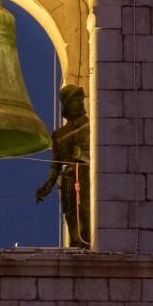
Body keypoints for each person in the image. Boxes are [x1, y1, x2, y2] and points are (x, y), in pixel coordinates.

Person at [36, 83, 91, 248]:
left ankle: (88, 245)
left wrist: (83, 156)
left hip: (87, 180)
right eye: (76, 100)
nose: (81, 103)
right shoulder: (59, 135)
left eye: (81, 99)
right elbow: (56, 164)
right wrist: (48, 185)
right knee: (71, 217)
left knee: (86, 215)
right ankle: (75, 245)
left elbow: (102, 158)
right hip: (68, 184)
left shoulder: (92, 127)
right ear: (67, 105)